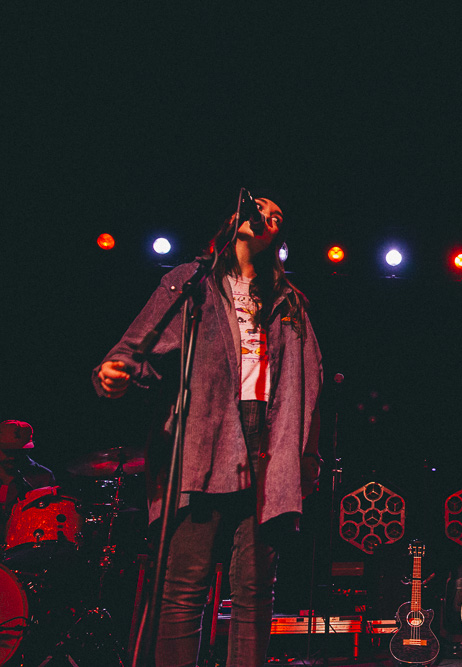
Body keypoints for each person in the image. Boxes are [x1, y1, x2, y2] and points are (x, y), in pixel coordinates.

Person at [94, 197, 323, 667]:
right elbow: (139, 347)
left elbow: (311, 382)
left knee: (255, 593)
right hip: (204, 439)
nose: (268, 217)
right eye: (260, 208)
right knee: (184, 588)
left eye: (278, 217)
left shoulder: (289, 302)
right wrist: (117, 372)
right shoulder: (192, 283)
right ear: (236, 220)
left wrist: (304, 458)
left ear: (277, 237)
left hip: (267, 444)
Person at [1, 419, 57, 537]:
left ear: (28, 449)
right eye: (7, 451)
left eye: (18, 452)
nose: (11, 457)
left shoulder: (44, 476)